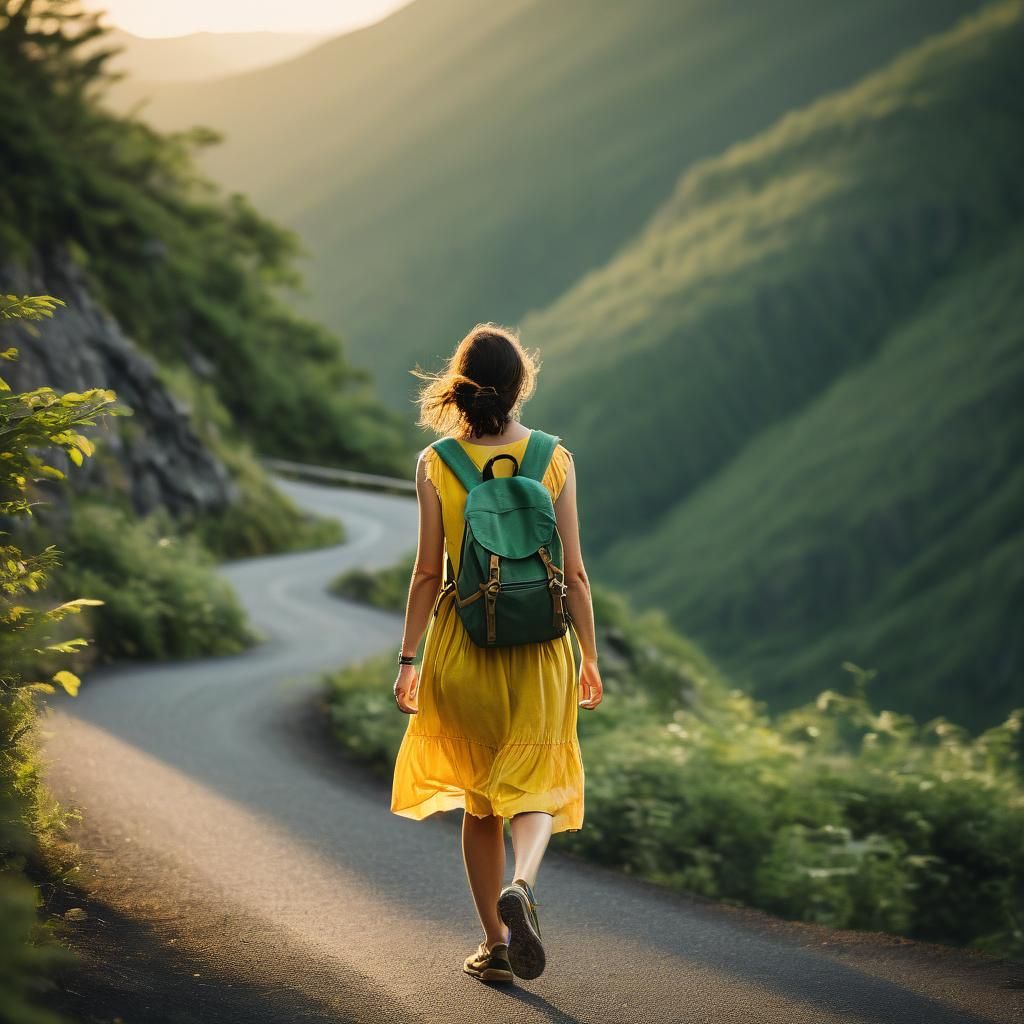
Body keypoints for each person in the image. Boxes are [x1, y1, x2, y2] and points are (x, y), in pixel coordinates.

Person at [390, 322, 603, 984]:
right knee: (537, 786)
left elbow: (429, 573)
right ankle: (525, 880)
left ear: (458, 386)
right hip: (541, 651)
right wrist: (590, 656)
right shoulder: (554, 459)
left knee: (480, 804)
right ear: (521, 386)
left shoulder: (436, 463)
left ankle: (499, 945)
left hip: (464, 647)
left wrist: (408, 658)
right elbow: (575, 574)